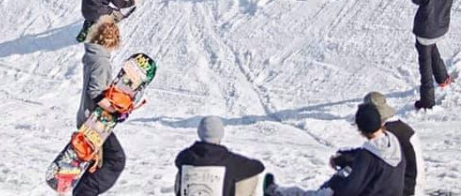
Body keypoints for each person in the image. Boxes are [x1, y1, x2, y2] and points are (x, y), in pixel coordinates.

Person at [264, 104, 405, 196]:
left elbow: (350, 190)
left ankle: (275, 192)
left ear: (360, 129)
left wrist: (336, 182)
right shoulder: (392, 143)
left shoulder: (367, 156)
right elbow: (368, 160)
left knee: (319, 193)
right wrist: (345, 158)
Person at [334, 92, 424, 195]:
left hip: (406, 189)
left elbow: (371, 159)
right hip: (413, 185)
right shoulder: (399, 130)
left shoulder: (388, 134)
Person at [74, 17, 126, 196]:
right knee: (115, 160)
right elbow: (95, 92)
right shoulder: (101, 62)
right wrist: (115, 111)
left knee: (97, 162)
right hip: (95, 122)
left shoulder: (92, 56)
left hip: (87, 117)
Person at [174, 116, 265, 196]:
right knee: (251, 175)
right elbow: (258, 167)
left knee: (181, 172)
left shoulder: (185, 156)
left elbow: (177, 162)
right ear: (221, 134)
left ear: (199, 132)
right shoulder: (229, 160)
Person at [410, 0, 456, 110]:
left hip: (426, 29)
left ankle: (427, 100)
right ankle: (443, 78)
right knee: (431, 47)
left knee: (425, 63)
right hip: (441, 26)